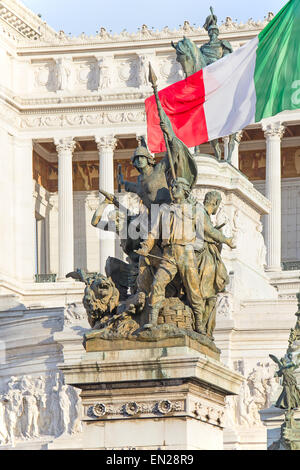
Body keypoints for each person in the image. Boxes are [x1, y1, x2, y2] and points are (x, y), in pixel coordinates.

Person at [136, 177, 204, 332]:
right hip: (169, 253)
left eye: (177, 187)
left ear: (185, 191)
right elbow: (153, 233)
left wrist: (193, 248)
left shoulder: (194, 210)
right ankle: (152, 320)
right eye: (172, 187)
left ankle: (199, 322)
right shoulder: (163, 210)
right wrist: (146, 247)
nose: (173, 190)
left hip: (186, 252)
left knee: (193, 288)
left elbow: (201, 235)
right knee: (157, 284)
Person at [194, 191, 236, 339]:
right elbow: (208, 230)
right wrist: (226, 240)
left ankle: (206, 329)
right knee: (207, 294)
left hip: (208, 255)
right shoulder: (200, 211)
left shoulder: (204, 214)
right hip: (202, 257)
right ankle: (201, 326)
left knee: (211, 295)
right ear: (216, 203)